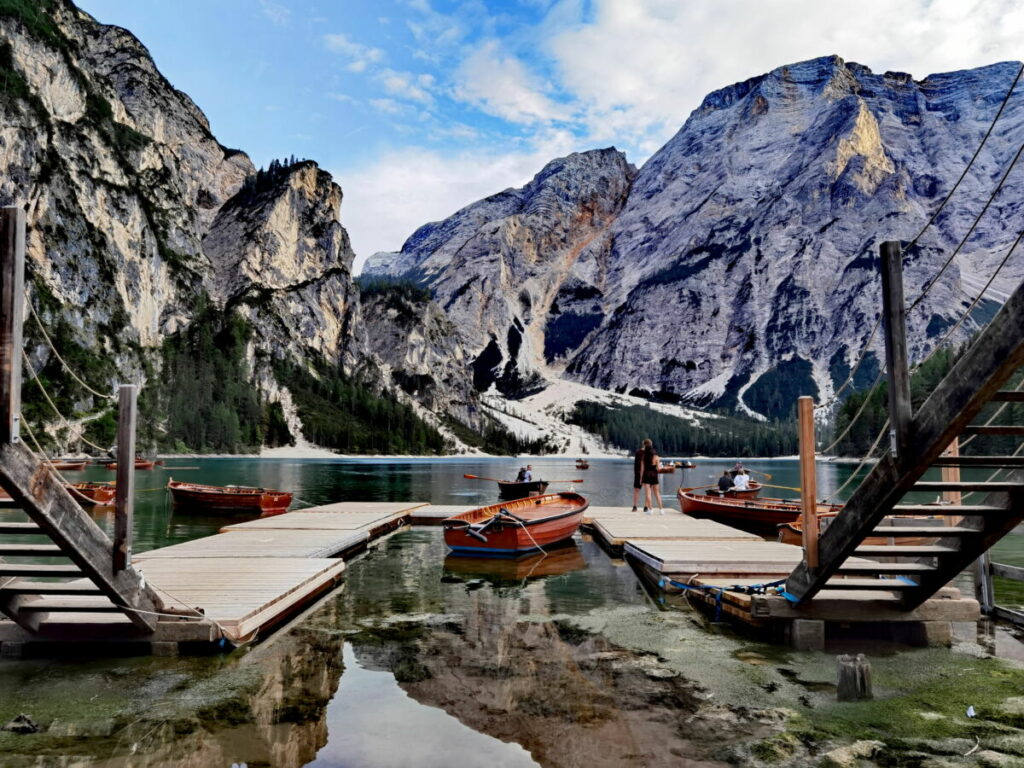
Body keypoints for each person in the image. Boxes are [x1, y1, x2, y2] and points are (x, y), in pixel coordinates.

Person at [641, 441, 664, 514]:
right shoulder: (656, 457)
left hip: (646, 474)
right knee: (657, 493)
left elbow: (642, 469)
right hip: (654, 475)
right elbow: (658, 469)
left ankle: (650, 510)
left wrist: (641, 479)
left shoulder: (644, 457)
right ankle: (661, 510)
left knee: (648, 493)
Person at [631, 439, 649, 511]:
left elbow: (636, 464)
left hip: (637, 473)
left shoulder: (638, 452)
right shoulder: (649, 453)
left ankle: (635, 507)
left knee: (636, 490)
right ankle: (646, 507)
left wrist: (636, 473)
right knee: (647, 490)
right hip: (646, 473)